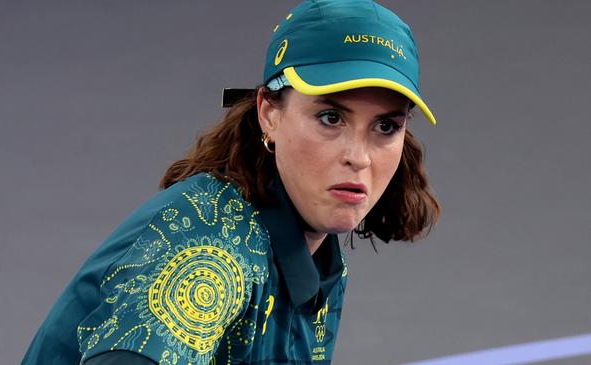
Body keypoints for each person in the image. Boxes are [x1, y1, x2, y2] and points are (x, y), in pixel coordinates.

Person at [22, 0, 440, 364]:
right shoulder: (209, 252)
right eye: (330, 117)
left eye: (386, 127)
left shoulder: (319, 256)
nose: (360, 156)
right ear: (268, 113)